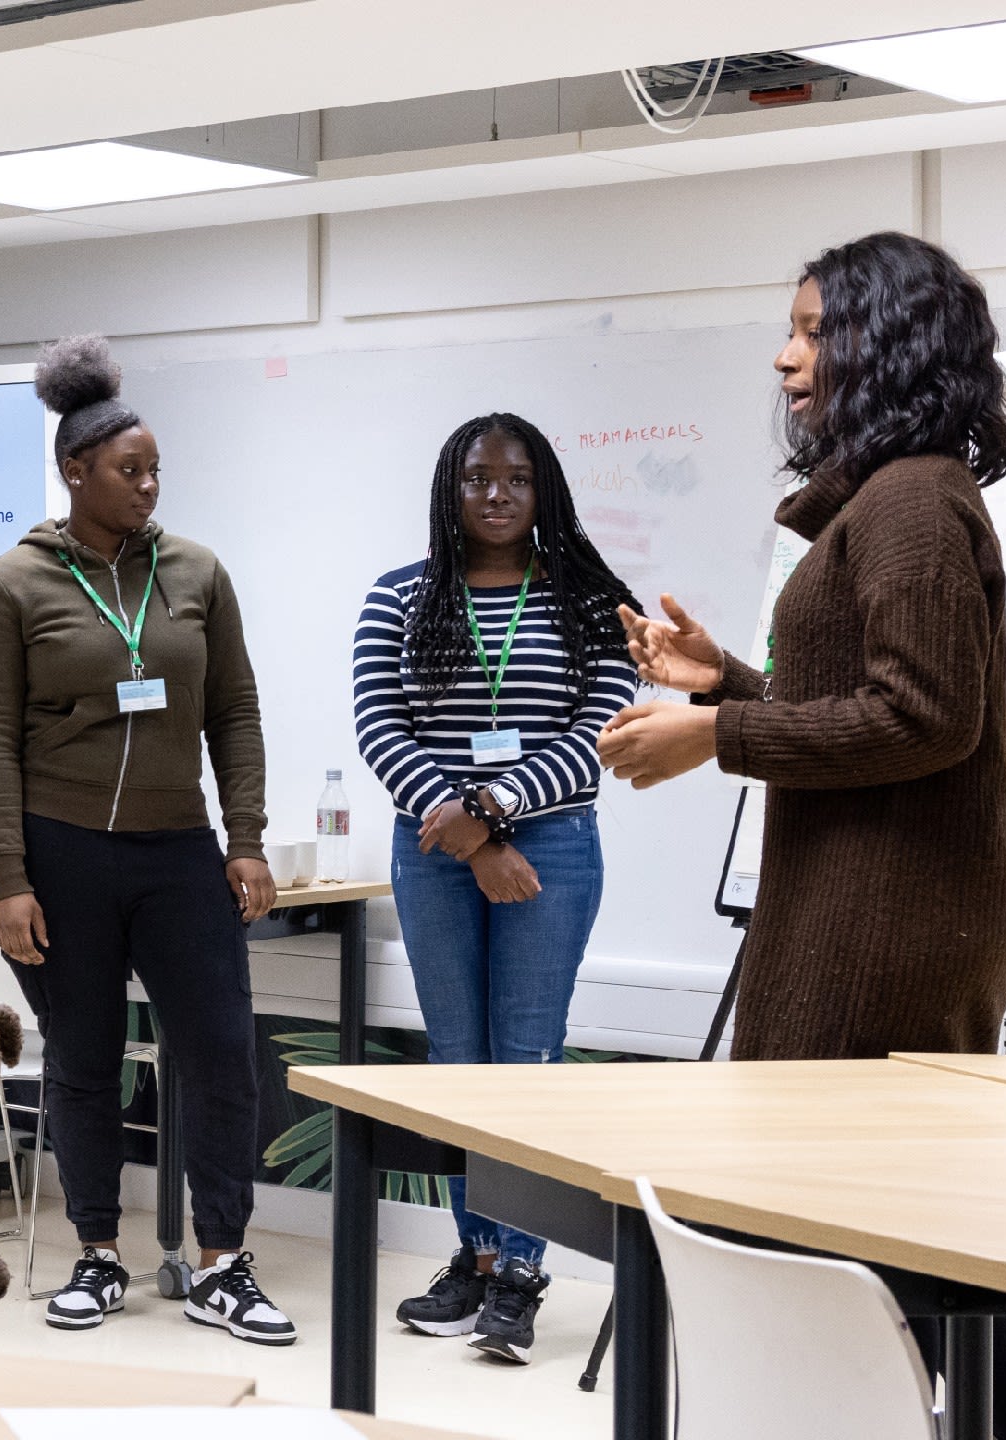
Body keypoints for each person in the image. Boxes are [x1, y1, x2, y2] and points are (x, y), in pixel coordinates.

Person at [599, 231, 1006, 1440]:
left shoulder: (909, 502)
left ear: (880, 343)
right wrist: (728, 684)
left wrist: (714, 736)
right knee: (888, 1230)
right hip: (885, 897)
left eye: (811, 331)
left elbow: (922, 718)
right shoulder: (899, 496)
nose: (785, 356)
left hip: (896, 914)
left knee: (856, 1227)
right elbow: (882, 703)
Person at [0, 335, 292, 1346]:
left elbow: (233, 708)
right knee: (84, 1057)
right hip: (64, 853)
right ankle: (96, 1253)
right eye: (127, 470)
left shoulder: (196, 572)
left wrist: (246, 838)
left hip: (177, 849)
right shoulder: (13, 586)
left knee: (221, 1053)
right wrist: (10, 879)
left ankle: (222, 1262)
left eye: (155, 470)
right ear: (74, 472)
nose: (148, 485)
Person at [352, 413, 638, 1365]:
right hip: (436, 847)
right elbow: (379, 725)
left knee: (526, 1061)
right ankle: (471, 1259)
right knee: (459, 1061)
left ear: (544, 488)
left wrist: (495, 806)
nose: (498, 495)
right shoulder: (398, 597)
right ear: (451, 488)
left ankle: (519, 1274)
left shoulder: (586, 601)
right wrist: (469, 834)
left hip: (549, 846)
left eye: (518, 479)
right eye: (478, 478)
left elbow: (600, 727)